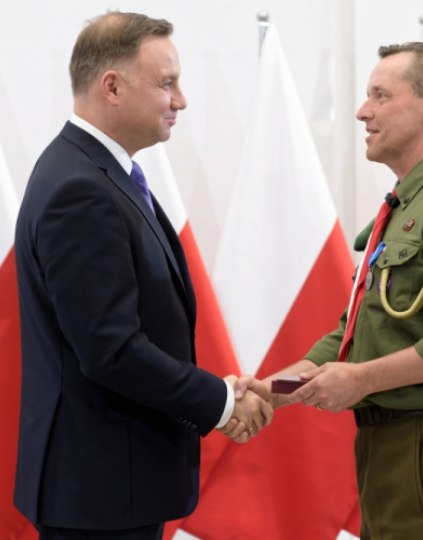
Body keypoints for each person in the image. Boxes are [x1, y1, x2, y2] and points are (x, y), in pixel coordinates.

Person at [233, 42, 423, 539]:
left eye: (381, 96)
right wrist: (272, 391)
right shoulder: (405, 205)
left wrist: (362, 380)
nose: (363, 111)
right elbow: (351, 338)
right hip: (389, 447)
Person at [14, 12, 271, 540]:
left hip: (110, 487)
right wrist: (220, 403)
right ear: (112, 86)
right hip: (99, 497)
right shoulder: (80, 190)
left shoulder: (94, 171)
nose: (180, 101)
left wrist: (217, 389)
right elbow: (111, 350)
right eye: (167, 83)